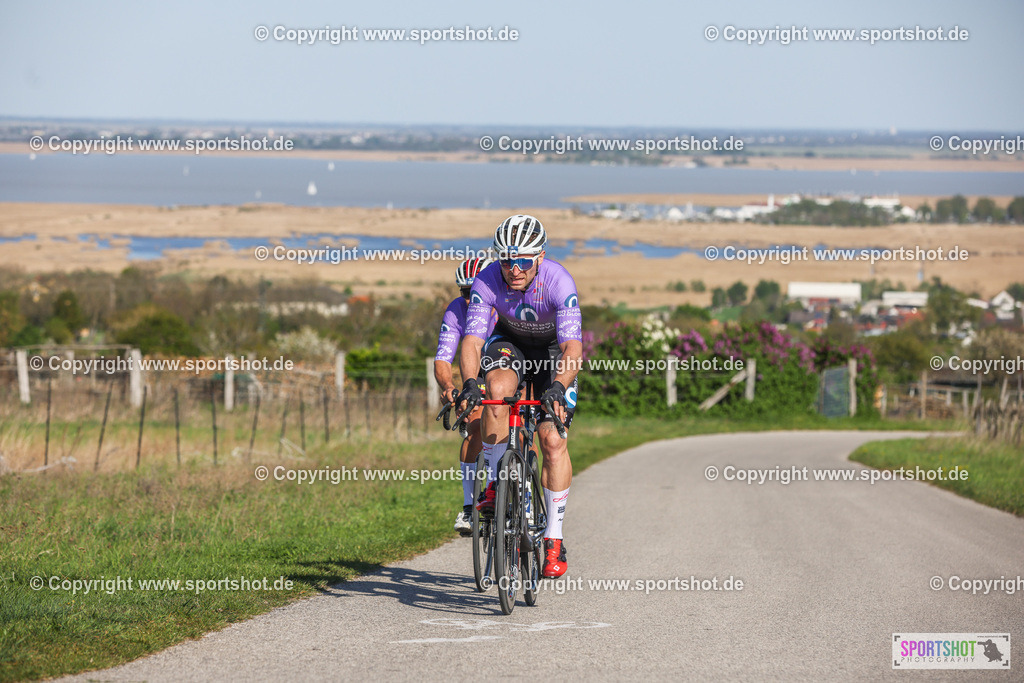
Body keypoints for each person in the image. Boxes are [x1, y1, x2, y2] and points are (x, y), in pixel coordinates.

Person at [458, 215, 582, 578]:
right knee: (496, 392)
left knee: (552, 439)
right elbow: (473, 340)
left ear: (540, 258)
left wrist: (558, 385)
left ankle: (553, 539)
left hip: (552, 353)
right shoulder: (487, 279)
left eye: (523, 261)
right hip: (510, 344)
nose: (514, 270)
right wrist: (468, 382)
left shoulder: (559, 281)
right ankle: (499, 481)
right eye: (507, 260)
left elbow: (572, 345)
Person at [434, 257, 495, 535]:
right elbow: (443, 358)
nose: (471, 300)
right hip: (475, 375)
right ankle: (470, 506)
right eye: (465, 293)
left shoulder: (504, 305)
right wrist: (448, 386)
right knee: (475, 428)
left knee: (521, 430)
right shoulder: (457, 311)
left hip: (511, 367)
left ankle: (525, 498)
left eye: (476, 292)